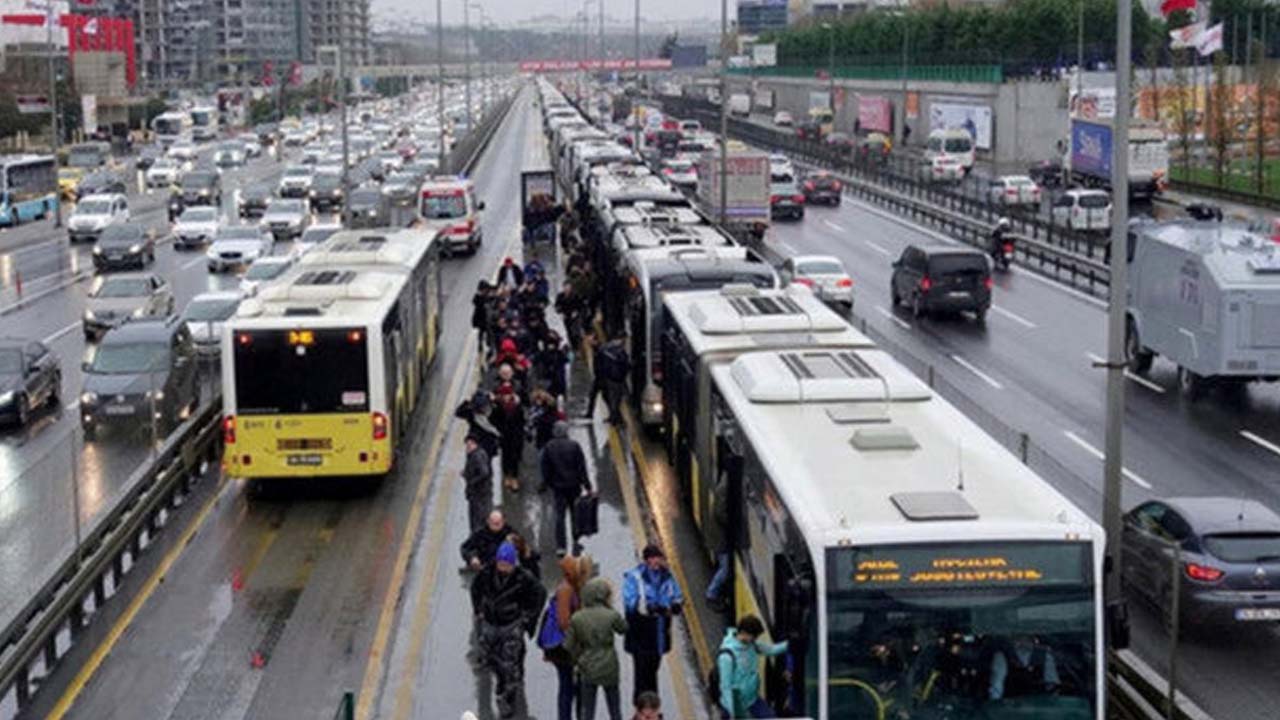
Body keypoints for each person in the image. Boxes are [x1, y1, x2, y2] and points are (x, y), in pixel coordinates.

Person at [470, 542, 547, 718]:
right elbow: (475, 589)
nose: (503, 567)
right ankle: (502, 682)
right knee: (490, 659)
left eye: (507, 564)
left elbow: (540, 594)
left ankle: (507, 698)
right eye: (501, 563)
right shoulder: (487, 573)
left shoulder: (523, 578)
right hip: (490, 623)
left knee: (510, 665)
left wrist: (528, 618)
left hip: (511, 625)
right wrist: (478, 610)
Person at [622, 545, 684, 700]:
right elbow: (630, 604)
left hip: (659, 634)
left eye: (659, 558)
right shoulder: (635, 578)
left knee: (653, 669)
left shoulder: (667, 576)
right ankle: (643, 703)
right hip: (641, 635)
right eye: (653, 558)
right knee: (642, 673)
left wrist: (676, 604)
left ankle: (651, 703)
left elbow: (677, 595)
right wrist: (649, 607)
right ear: (646, 560)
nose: (657, 561)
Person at [566, 577, 628, 720]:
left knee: (588, 709)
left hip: (587, 665)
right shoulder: (611, 615)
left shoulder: (577, 617)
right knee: (614, 708)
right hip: (609, 665)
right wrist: (610, 608)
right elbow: (623, 628)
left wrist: (578, 659)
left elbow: (568, 645)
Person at [544, 554, 594, 720]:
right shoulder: (566, 590)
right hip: (565, 648)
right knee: (568, 686)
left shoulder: (575, 587)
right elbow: (564, 622)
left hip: (571, 646)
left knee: (576, 686)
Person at [715, 615, 789, 719]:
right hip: (734, 704)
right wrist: (732, 712)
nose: (755, 640)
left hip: (751, 699)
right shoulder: (727, 656)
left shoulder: (752, 645)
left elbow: (771, 650)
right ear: (744, 633)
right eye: (754, 637)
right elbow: (725, 686)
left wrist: (789, 644)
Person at [540, 421, 593, 556]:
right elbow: (581, 468)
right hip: (574, 486)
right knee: (575, 514)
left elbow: (545, 468)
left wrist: (546, 484)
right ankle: (576, 540)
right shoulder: (574, 446)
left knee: (560, 516)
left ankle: (561, 546)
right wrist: (588, 486)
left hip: (558, 487)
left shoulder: (549, 447)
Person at [988, 634, 1059, 700]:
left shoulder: (1044, 655)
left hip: (1038, 704)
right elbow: (996, 688)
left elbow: (1052, 686)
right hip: (1010, 705)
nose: (1022, 640)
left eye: (1026, 637)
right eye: (1019, 637)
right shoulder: (1002, 656)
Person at [492, 386, 526, 491]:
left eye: (507, 395)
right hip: (504, 436)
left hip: (515, 436)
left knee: (515, 458)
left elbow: (522, 421)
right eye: (504, 395)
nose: (506, 397)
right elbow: (494, 421)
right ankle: (507, 476)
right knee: (505, 457)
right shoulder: (497, 407)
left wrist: (520, 434)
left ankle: (514, 477)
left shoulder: (517, 406)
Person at [462, 434, 494, 533]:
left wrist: (472, 481)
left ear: (475, 444)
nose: (468, 447)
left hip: (478, 493)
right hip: (480, 492)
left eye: (470, 444)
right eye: (467, 445)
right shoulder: (477, 454)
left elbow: (484, 472)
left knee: (477, 518)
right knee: (479, 516)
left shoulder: (477, 456)